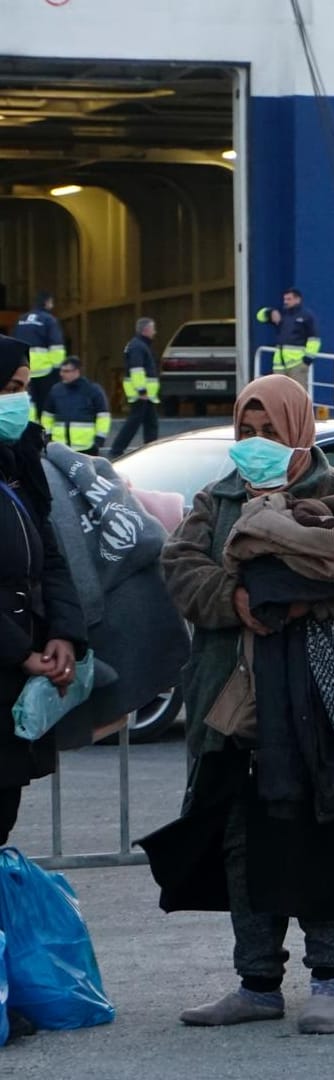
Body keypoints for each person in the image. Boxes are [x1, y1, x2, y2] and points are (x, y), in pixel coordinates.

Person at [160, 374, 334, 1035]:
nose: (256, 445)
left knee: (323, 838)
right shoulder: (217, 497)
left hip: (318, 702)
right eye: (246, 432)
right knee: (241, 845)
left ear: (299, 431)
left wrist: (291, 595)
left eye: (270, 432)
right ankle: (257, 982)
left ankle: (330, 983)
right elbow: (180, 567)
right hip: (235, 703)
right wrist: (236, 601)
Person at [0, 335, 86, 850]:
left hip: (15, 679)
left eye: (24, 388)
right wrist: (21, 652)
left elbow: (50, 558)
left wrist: (63, 636)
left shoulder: (18, 463)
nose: (18, 400)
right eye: (10, 387)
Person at [110, 317, 161, 457]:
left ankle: (151, 450)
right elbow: (136, 370)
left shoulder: (138, 345)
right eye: (153, 328)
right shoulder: (138, 346)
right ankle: (116, 450)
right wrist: (142, 390)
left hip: (145, 394)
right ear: (146, 330)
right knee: (134, 423)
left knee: (150, 424)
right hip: (141, 393)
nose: (155, 332)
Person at [40, 357, 110, 456]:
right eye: (61, 370)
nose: (61, 374)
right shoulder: (56, 390)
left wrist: (99, 440)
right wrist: (47, 436)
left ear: (77, 371)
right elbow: (47, 416)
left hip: (87, 447)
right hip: (60, 445)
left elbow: (103, 416)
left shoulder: (92, 390)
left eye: (66, 371)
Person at [255, 288, 322, 389]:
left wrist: (307, 360)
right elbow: (259, 316)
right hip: (279, 363)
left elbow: (314, 339)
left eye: (289, 299)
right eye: (285, 299)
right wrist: (270, 312)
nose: (285, 302)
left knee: (298, 394)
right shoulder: (281, 313)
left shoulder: (307, 316)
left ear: (297, 300)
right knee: (279, 394)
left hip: (297, 363)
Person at [13, 292, 65, 418]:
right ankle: (43, 434)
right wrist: (58, 369)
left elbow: (14, 343)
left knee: (27, 404)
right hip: (44, 371)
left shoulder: (21, 319)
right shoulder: (49, 320)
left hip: (24, 369)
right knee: (46, 406)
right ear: (47, 303)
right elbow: (56, 347)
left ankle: (29, 431)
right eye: (51, 302)